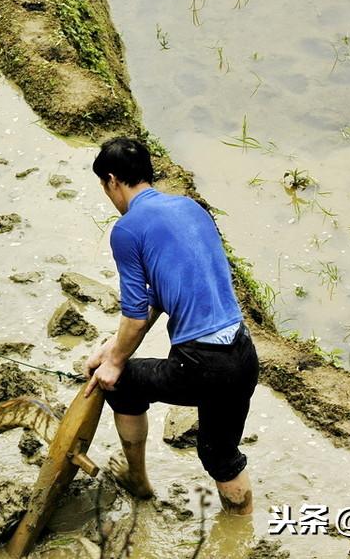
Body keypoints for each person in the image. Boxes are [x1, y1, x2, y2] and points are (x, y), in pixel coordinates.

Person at [82, 136, 258, 515]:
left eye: (104, 186)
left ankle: (138, 480)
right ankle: (242, 527)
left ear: (112, 180)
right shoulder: (191, 208)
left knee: (124, 385)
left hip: (202, 363)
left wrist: (113, 365)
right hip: (242, 353)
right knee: (220, 455)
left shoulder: (127, 230)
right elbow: (160, 297)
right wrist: (113, 349)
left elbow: (134, 312)